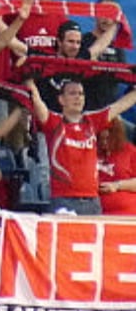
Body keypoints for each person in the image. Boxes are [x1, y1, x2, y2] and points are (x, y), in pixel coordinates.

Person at [26, 76, 136, 216]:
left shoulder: (92, 121)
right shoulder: (54, 122)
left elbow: (121, 105)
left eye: (81, 93)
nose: (77, 97)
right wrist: (28, 79)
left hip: (93, 200)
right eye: (72, 93)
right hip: (64, 200)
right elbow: (36, 100)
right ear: (61, 100)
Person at [96, 117, 136, 216]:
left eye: (108, 139)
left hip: (126, 210)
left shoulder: (130, 151)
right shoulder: (90, 150)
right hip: (96, 208)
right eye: (101, 139)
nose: (104, 143)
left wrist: (117, 186)